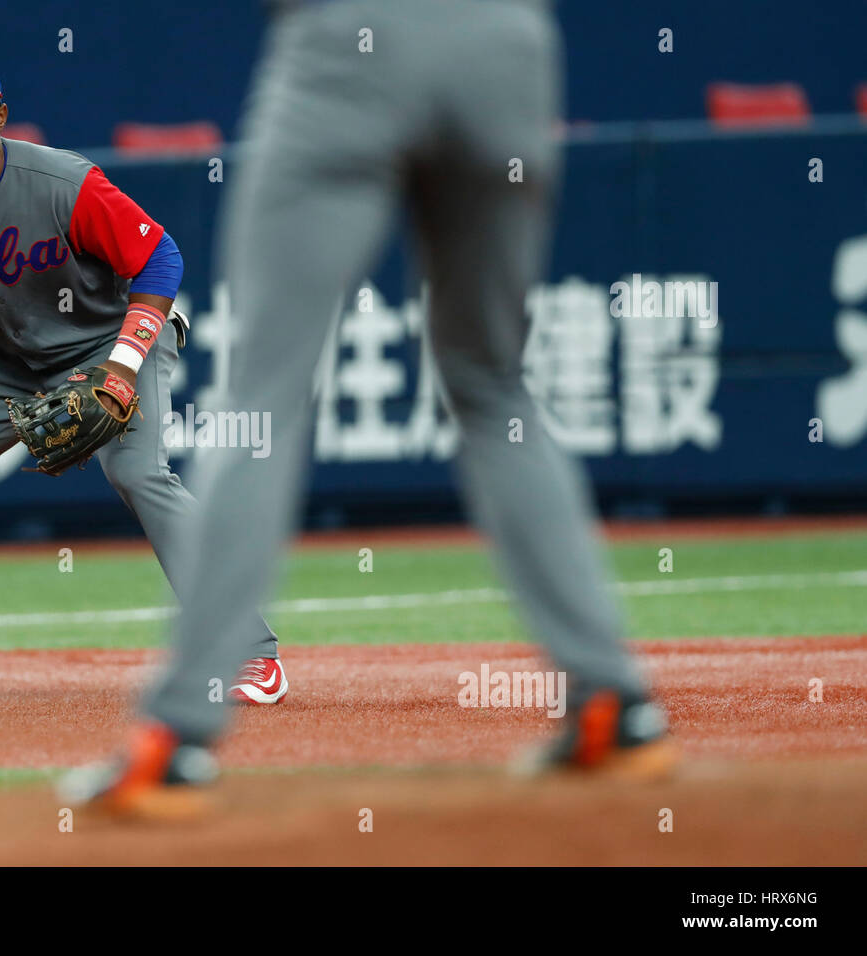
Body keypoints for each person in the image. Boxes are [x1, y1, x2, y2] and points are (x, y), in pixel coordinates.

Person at [63, 0, 677, 818]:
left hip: (348, 41)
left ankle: (176, 740)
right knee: (495, 387)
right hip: (505, 45)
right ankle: (613, 704)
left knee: (265, 396)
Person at [0, 51, 286, 705]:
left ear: (0, 117)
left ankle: (251, 651)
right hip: (10, 357)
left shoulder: (62, 181)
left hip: (112, 339)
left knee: (136, 472)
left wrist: (123, 369)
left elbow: (159, 258)